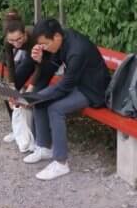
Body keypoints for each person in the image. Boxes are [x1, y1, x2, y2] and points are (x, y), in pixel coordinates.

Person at [21, 18, 111, 181]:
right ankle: (44, 147)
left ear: (56, 37)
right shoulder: (62, 40)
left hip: (93, 90)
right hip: (77, 84)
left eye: (45, 44)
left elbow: (64, 86)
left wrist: (34, 97)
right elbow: (51, 68)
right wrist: (40, 60)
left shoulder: (77, 50)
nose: (45, 48)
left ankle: (61, 163)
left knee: (55, 108)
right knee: (40, 101)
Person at [0, 10, 39, 145]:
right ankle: (16, 130)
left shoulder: (34, 36)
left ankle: (34, 136)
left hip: (44, 62)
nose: (15, 43)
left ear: (24, 33)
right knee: (8, 93)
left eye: (19, 39)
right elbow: (10, 65)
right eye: (11, 40)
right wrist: (11, 85)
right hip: (29, 59)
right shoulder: (8, 41)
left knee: (31, 95)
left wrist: (31, 85)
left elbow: (41, 66)